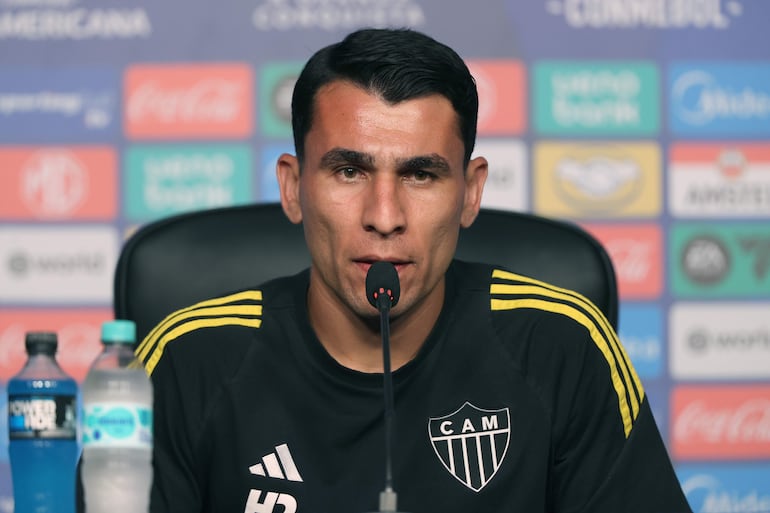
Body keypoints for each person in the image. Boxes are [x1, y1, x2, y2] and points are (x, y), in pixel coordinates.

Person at [134, 28, 693, 513]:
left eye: (421, 175)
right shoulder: (188, 359)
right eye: (349, 171)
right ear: (292, 187)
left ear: (470, 194)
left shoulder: (564, 346)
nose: (384, 217)